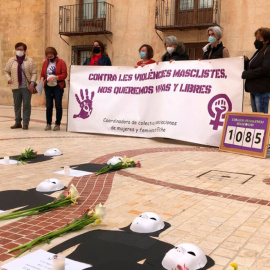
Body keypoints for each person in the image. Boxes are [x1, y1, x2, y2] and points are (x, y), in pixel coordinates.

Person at [4, 42, 37, 130]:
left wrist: (32, 83)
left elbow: (34, 73)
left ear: (25, 51)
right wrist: (8, 78)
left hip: (26, 87)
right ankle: (18, 122)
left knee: (26, 105)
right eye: (17, 49)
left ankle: (25, 123)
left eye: (21, 49)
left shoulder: (30, 61)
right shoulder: (11, 60)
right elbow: (6, 71)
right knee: (17, 105)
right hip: (15, 87)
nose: (19, 51)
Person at [242, 27, 270, 113]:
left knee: (261, 118)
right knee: (256, 117)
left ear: (266, 40)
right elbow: (252, 66)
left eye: (259, 38)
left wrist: (247, 74)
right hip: (254, 89)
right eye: (256, 38)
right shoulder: (259, 51)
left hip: (261, 90)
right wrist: (246, 61)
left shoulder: (268, 50)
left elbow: (264, 69)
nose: (256, 40)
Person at [40, 47, 67, 131]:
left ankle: (57, 124)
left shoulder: (61, 62)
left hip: (58, 86)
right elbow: (42, 74)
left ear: (55, 55)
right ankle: (48, 124)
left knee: (58, 105)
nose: (50, 59)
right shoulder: (45, 63)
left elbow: (65, 75)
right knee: (49, 105)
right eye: (48, 57)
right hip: (48, 86)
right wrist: (41, 80)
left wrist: (56, 77)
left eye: (51, 57)